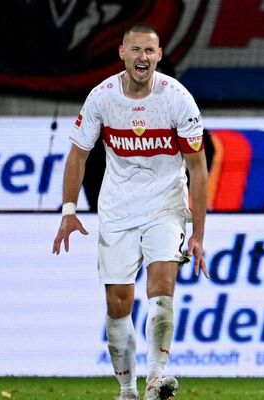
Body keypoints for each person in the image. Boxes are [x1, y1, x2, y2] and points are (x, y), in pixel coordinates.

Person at [52, 22, 209, 400]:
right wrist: (69, 210)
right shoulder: (101, 98)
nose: (143, 57)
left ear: (159, 55)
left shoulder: (178, 99)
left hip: (165, 207)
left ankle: (156, 379)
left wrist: (199, 234)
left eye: (150, 51)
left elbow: (198, 168)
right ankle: (127, 390)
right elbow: (78, 155)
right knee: (117, 304)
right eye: (136, 50)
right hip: (117, 210)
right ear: (122, 53)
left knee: (162, 287)